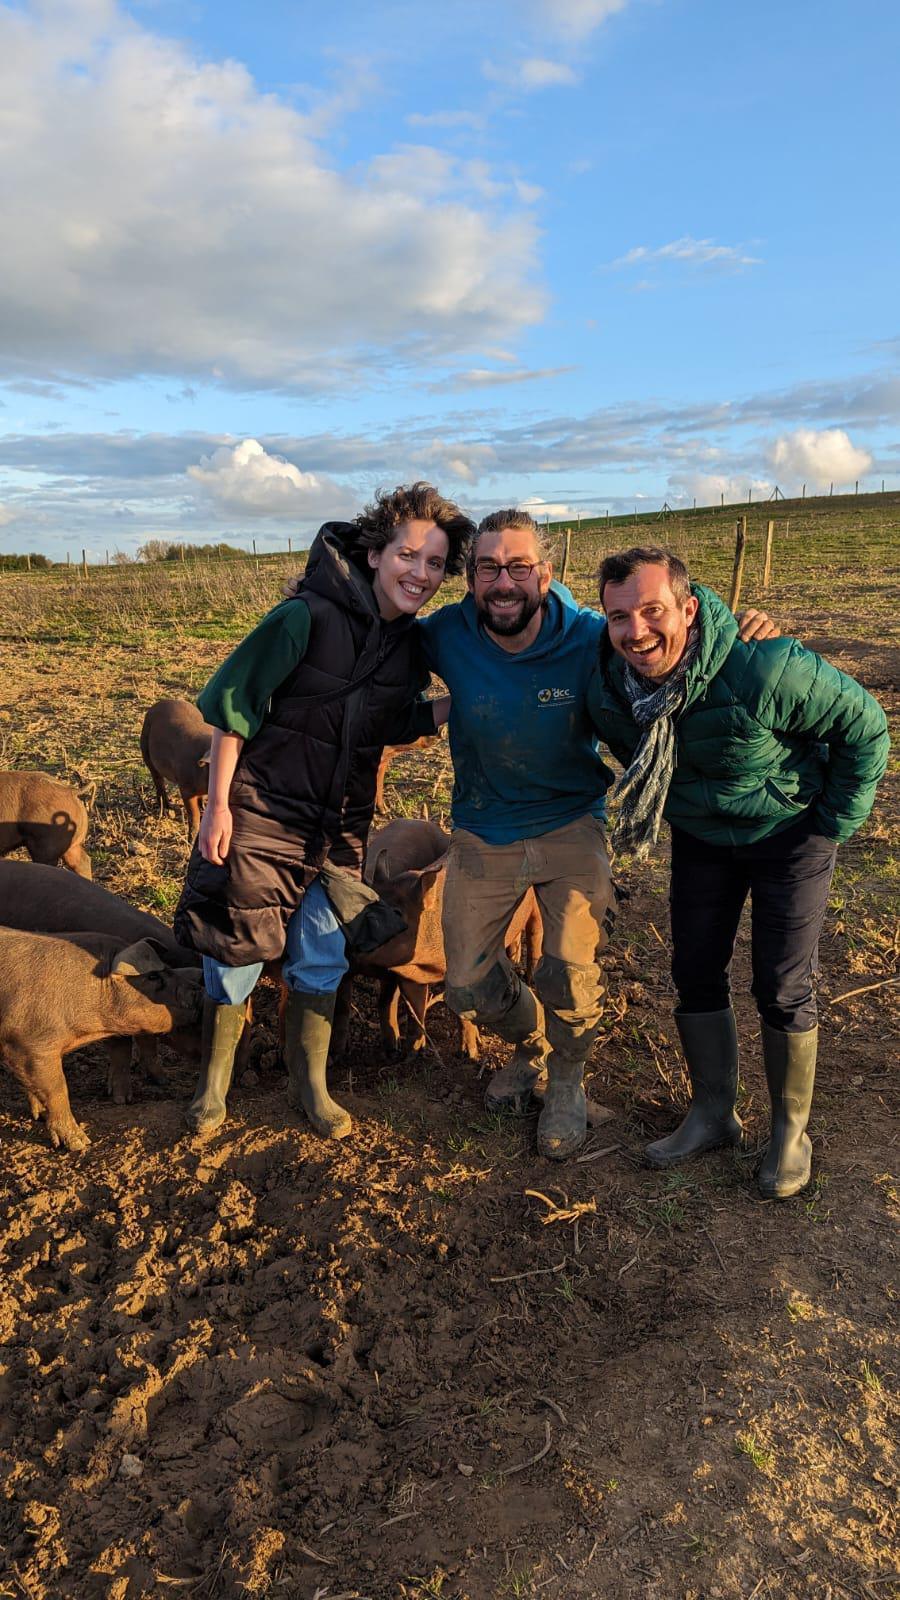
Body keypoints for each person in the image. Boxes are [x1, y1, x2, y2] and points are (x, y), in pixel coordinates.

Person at [418, 511, 779, 1162]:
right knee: (467, 986)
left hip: (572, 820)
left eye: (519, 566)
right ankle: (532, 1051)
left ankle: (567, 1082)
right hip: (484, 824)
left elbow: (669, 626)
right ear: (469, 578)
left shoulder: (587, 635)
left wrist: (737, 629)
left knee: (571, 974)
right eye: (488, 567)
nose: (504, 582)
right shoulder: (446, 634)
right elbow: (374, 655)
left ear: (545, 573)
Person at [585, 546, 889, 1198]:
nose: (636, 631)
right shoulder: (608, 684)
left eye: (652, 610)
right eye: (618, 617)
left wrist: (832, 821)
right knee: (694, 970)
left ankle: (788, 1133)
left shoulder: (763, 667)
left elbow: (866, 726)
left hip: (790, 833)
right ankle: (713, 1113)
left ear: (689, 609)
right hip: (700, 836)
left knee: (781, 984)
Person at [173, 484, 474, 1140]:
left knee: (323, 946)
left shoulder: (406, 646)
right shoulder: (303, 618)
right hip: (264, 814)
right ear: (374, 552)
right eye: (409, 556)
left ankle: (309, 1084)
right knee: (237, 948)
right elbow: (235, 705)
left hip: (338, 830)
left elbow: (391, 720)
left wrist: (459, 705)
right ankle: (213, 1085)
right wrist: (217, 807)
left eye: (435, 565)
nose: (420, 574)